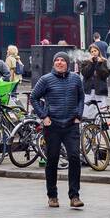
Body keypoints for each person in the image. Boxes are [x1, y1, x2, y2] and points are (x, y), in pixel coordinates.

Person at [29, 53, 86, 209]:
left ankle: (74, 196)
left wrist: (79, 115)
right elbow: (33, 98)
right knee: (52, 159)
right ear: (54, 63)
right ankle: (52, 196)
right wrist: (44, 116)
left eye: (62, 60)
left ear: (67, 63)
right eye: (57, 60)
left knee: (74, 157)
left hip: (71, 125)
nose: (60, 62)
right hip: (52, 125)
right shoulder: (46, 79)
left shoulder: (75, 79)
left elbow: (81, 97)